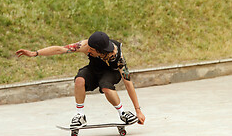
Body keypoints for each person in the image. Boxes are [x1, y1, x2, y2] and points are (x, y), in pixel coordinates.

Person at [16, 31, 145, 127]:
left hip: (111, 73)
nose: (89, 51)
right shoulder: (85, 46)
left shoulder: (117, 56)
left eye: (92, 50)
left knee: (105, 85)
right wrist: (35, 53)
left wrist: (138, 111)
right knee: (79, 80)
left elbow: (128, 83)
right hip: (94, 69)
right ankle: (80, 115)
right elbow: (60, 49)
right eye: (89, 49)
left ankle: (123, 114)